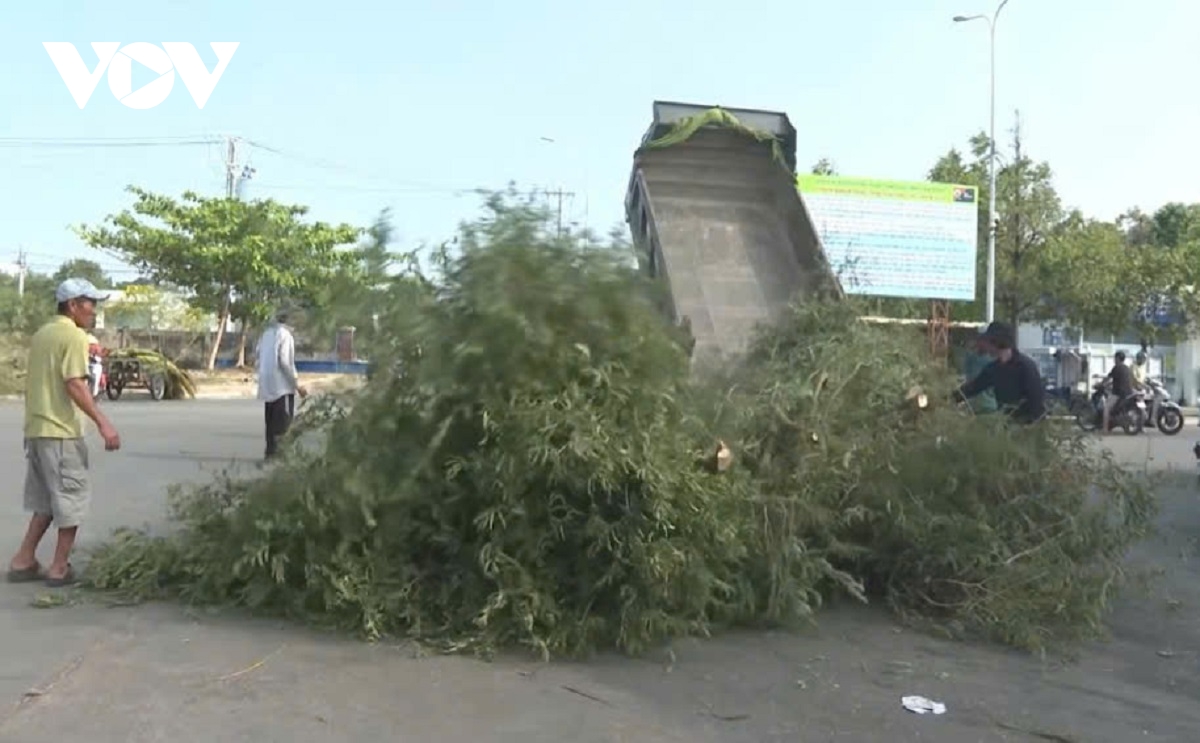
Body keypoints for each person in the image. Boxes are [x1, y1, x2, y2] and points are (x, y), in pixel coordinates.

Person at [7, 279, 121, 587]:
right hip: (60, 432)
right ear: (72, 305)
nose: (93, 310)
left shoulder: (43, 333)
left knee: (45, 501)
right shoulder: (74, 336)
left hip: (37, 429)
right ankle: (59, 567)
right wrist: (103, 423)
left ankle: (24, 560)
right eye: (89, 303)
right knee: (71, 500)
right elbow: (74, 383)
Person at [956, 321, 1046, 424]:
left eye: (988, 341)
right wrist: (945, 399)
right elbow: (972, 388)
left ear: (996, 341)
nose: (986, 346)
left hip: (1028, 428)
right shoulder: (993, 369)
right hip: (1007, 425)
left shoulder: (1026, 367)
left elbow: (1037, 402)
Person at [256, 307, 307, 460]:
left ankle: (270, 451)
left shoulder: (266, 334)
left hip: (266, 381)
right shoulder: (285, 335)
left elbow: (258, 355)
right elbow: (285, 362)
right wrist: (297, 385)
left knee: (270, 418)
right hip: (281, 384)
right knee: (283, 419)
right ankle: (280, 453)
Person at [962, 330, 998, 414]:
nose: (982, 343)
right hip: (973, 405)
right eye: (980, 339)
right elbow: (968, 378)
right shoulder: (971, 358)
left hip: (990, 405)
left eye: (985, 340)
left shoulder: (993, 360)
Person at [1102, 351, 1136, 434]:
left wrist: (1100, 384)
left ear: (1117, 358)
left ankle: (1105, 429)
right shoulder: (1126, 368)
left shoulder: (1116, 367)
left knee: (1106, 408)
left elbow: (1108, 378)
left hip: (1119, 393)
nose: (1114, 360)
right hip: (1129, 392)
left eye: (1115, 358)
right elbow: (1117, 380)